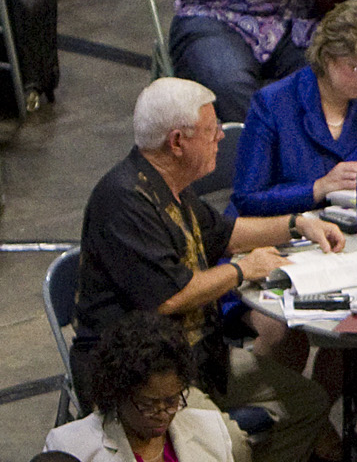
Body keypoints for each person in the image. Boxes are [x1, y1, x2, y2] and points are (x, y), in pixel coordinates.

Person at [68, 80, 342, 440]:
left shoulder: (172, 187)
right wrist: (242, 269)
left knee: (308, 403)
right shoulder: (125, 201)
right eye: (212, 130)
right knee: (226, 445)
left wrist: (297, 224)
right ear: (177, 142)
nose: (221, 138)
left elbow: (226, 233)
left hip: (197, 358)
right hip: (141, 377)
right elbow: (169, 297)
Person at [46, 314, 267, 462]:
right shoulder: (70, 446)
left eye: (171, 401)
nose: (162, 413)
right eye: (147, 405)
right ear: (117, 393)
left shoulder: (208, 429)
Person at [230, 0, 357, 220]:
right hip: (290, 229)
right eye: (356, 68)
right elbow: (247, 199)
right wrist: (319, 187)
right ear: (327, 56)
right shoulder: (273, 103)